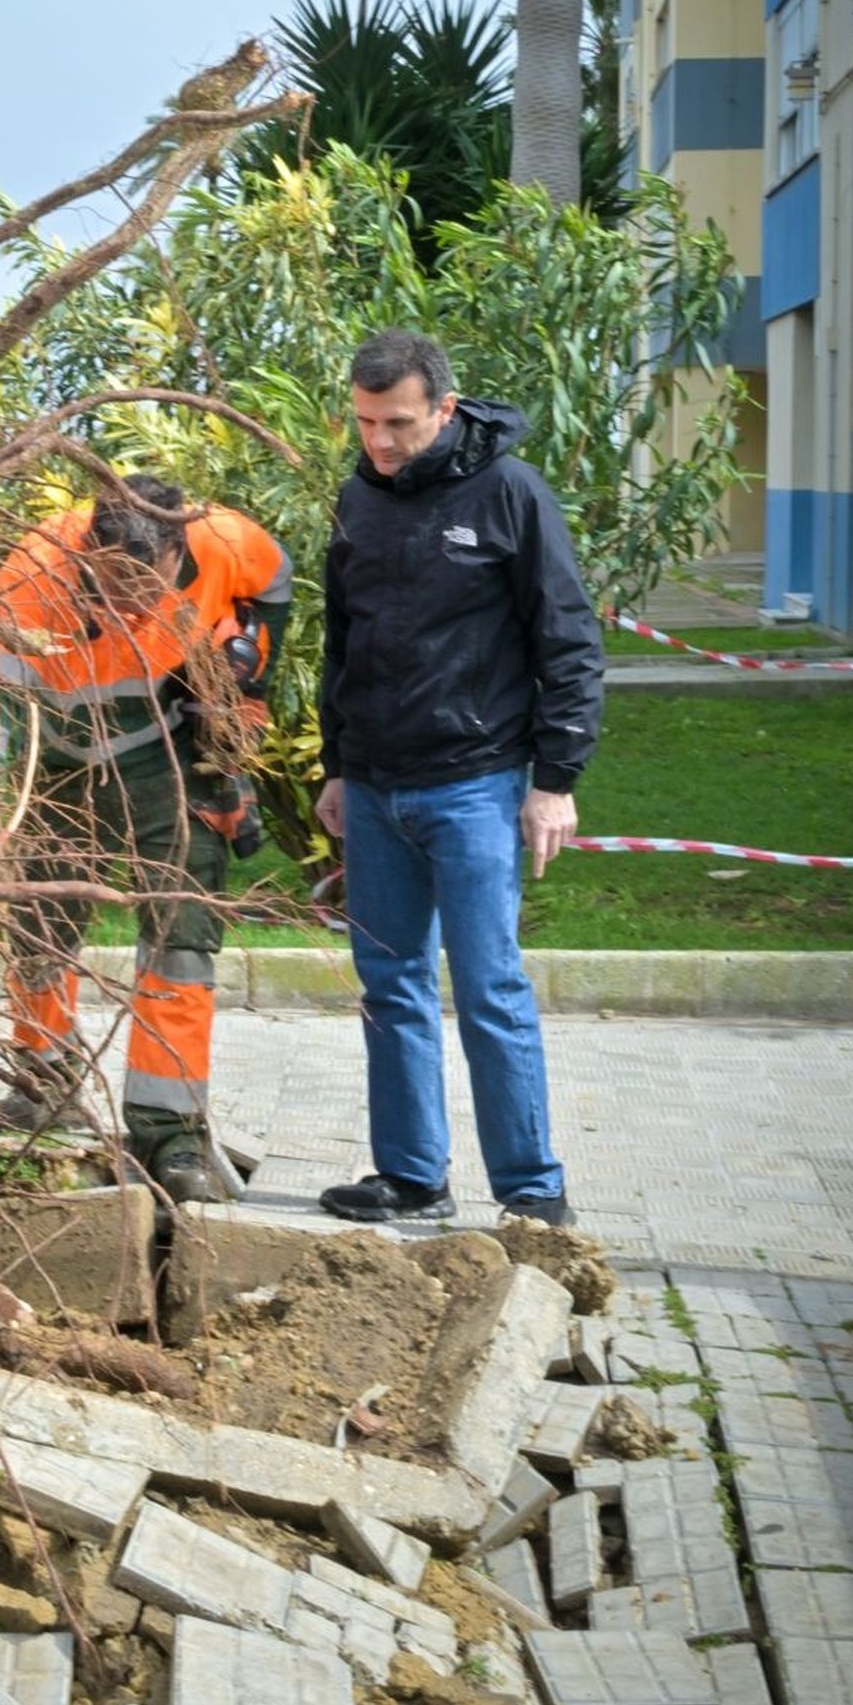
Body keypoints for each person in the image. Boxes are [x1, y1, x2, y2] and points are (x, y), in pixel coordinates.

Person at [315, 329, 604, 1230]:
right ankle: (411, 1177)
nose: (381, 443)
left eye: (398, 422)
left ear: (444, 408)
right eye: (365, 423)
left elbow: (569, 639)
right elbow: (342, 642)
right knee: (390, 985)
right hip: (373, 786)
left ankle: (530, 1192)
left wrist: (554, 778)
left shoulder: (510, 494)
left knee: (489, 987)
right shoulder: (358, 500)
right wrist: (336, 764)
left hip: (474, 785)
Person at [0, 475, 292, 1205]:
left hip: (166, 751)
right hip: (54, 762)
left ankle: (171, 1132)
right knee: (40, 930)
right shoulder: (29, 579)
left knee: (180, 941)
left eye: (145, 588)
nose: (130, 608)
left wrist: (247, 668)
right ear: (85, 559)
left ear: (174, 552)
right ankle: (41, 1089)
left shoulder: (220, 539)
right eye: (112, 591)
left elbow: (275, 575)